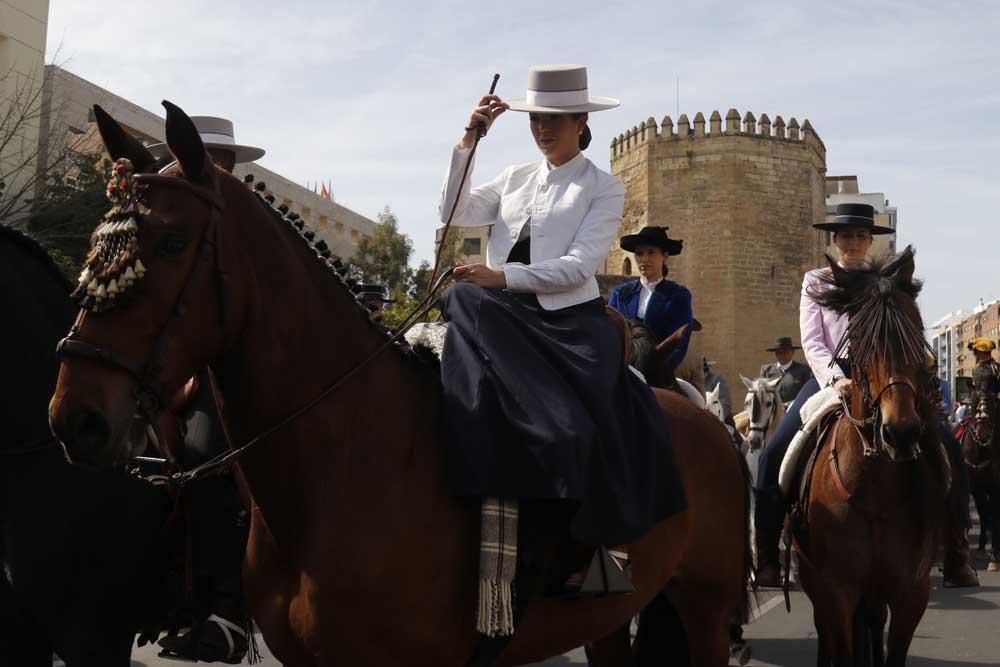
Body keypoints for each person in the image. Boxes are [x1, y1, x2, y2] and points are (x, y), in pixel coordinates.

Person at [437, 64, 685, 592]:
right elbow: (451, 209)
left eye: (553, 120)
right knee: (461, 297)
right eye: (535, 121)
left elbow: (577, 266)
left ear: (580, 121)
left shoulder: (603, 187)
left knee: (467, 298)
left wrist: (499, 276)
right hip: (499, 311)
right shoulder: (512, 179)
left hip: (570, 322)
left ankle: (598, 532)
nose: (542, 130)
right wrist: (469, 138)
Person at [148, 116, 263, 662]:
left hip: (246, 374)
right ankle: (180, 596)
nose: (200, 171)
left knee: (209, 460)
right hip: (195, 369)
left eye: (209, 162)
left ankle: (232, 606)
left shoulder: (250, 223)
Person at [753, 202, 894, 587]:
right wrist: (836, 380)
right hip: (829, 376)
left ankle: (952, 548)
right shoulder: (815, 281)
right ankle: (765, 554)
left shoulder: (884, 283)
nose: (853, 242)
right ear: (835, 240)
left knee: (938, 441)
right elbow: (813, 343)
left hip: (879, 378)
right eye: (845, 235)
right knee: (772, 454)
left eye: (860, 236)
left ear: (869, 242)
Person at [608, 226, 693, 373]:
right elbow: (610, 334)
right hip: (623, 371)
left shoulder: (678, 295)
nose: (644, 259)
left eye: (651, 253)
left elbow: (680, 342)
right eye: (639, 254)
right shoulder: (620, 294)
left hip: (660, 372)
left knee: (692, 395)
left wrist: (660, 369)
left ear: (664, 256)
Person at [758, 337, 812, 404]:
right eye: (779, 352)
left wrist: (790, 404)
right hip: (771, 411)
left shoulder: (804, 370)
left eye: (785, 351)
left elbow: (808, 392)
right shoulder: (766, 370)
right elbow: (761, 393)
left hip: (794, 410)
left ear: (792, 352)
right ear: (775, 354)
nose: (782, 355)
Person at [704, 358, 735, 426]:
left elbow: (725, 403)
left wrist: (717, 420)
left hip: (721, 420)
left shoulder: (717, 379)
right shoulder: (692, 380)